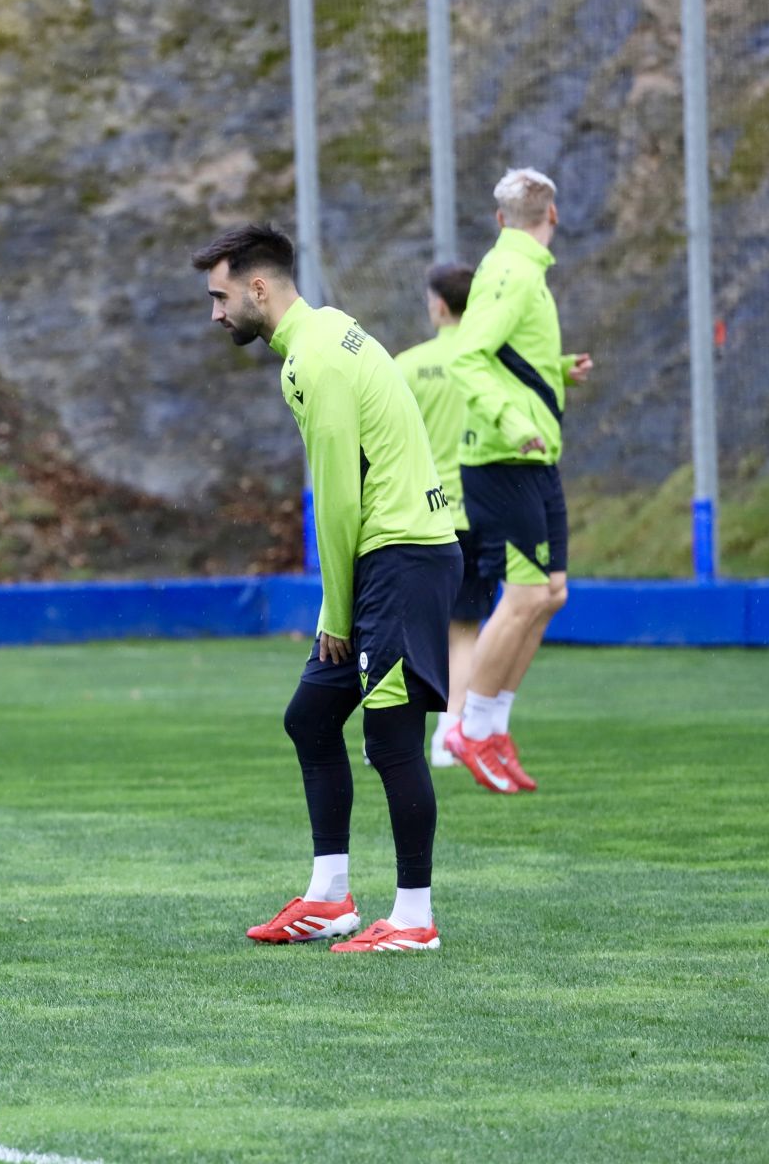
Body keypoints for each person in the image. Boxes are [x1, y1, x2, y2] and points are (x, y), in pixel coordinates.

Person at [191, 224, 459, 953]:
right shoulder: (330, 328)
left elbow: (339, 499)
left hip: (402, 559)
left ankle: (413, 918)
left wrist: (336, 612)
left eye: (220, 297)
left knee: (391, 738)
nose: (215, 315)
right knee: (311, 717)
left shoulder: (311, 361)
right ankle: (329, 899)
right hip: (386, 559)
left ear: (257, 287)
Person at [444, 169, 592, 794]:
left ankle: (492, 726)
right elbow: (464, 355)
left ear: (502, 217)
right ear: (550, 215)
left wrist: (557, 370)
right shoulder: (511, 272)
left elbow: (505, 357)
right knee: (527, 595)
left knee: (551, 593)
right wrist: (511, 419)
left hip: (530, 456)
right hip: (504, 459)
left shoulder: (519, 269)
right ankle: (469, 729)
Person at [392, 264, 492, 767]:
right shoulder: (487, 362)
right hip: (474, 511)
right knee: (464, 629)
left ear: (437, 305)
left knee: (407, 626)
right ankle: (449, 733)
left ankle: (391, 732)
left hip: (418, 514)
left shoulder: (407, 365)